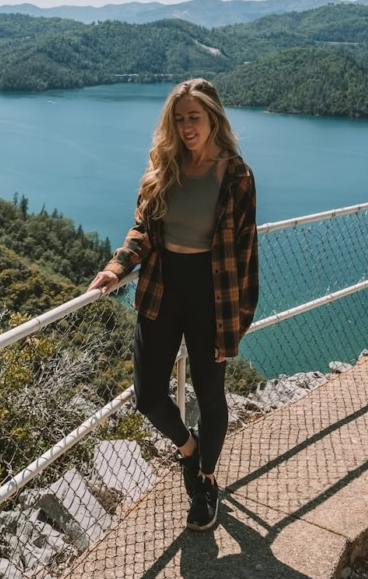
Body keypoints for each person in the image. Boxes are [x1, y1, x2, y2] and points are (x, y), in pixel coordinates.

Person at [89, 78, 259, 532]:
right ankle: (188, 450)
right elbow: (142, 231)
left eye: (194, 118)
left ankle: (205, 481)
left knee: (209, 395)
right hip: (161, 290)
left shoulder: (237, 175)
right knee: (146, 395)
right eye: (179, 118)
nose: (186, 127)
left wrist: (234, 328)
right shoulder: (163, 167)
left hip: (212, 297)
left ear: (213, 118)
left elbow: (244, 256)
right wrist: (116, 268)